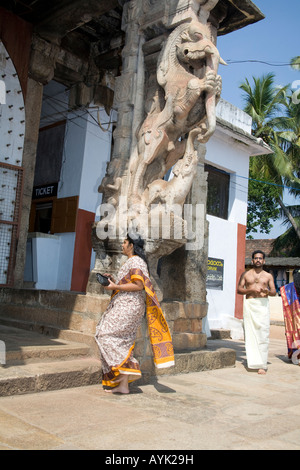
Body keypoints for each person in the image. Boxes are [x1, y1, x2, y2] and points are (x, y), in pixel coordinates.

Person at [95, 234, 175, 394]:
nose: (122, 245)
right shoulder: (133, 262)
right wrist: (114, 281)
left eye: (125, 242)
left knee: (104, 335)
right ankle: (122, 385)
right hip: (126, 304)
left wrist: (114, 288)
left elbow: (138, 285)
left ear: (131, 245)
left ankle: (128, 367)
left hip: (128, 306)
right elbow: (130, 282)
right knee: (122, 341)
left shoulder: (137, 261)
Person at [237, 250, 276, 374]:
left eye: (260, 258)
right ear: (252, 260)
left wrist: (268, 292)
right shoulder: (246, 274)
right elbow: (239, 289)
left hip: (262, 306)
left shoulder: (268, 276)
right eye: (256, 258)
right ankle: (253, 362)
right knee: (250, 334)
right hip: (250, 304)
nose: (258, 260)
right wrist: (250, 289)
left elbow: (274, 292)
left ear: (264, 261)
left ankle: (262, 364)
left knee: (263, 334)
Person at [280, 269, 300, 364]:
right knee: (295, 331)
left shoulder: (290, 288)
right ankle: (296, 354)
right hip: (295, 311)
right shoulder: (290, 289)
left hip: (295, 310)